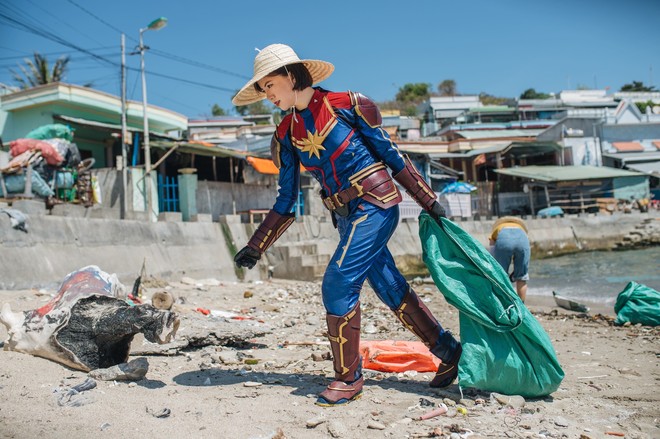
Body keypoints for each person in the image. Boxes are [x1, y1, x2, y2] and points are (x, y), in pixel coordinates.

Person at [232, 44, 461, 407]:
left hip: (377, 203)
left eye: (270, 84)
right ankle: (450, 353)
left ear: (291, 76)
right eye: (262, 89)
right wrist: (256, 245)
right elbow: (287, 200)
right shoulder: (286, 133)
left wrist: (430, 202)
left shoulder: (348, 104)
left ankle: (347, 378)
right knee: (389, 286)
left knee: (338, 281)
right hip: (344, 217)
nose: (268, 94)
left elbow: (391, 155)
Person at [488, 216, 530, 302]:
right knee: (522, 277)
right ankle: (521, 306)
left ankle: (504, 303)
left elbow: (492, 250)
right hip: (523, 239)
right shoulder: (521, 228)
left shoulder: (498, 228)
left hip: (503, 240)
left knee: (501, 275)